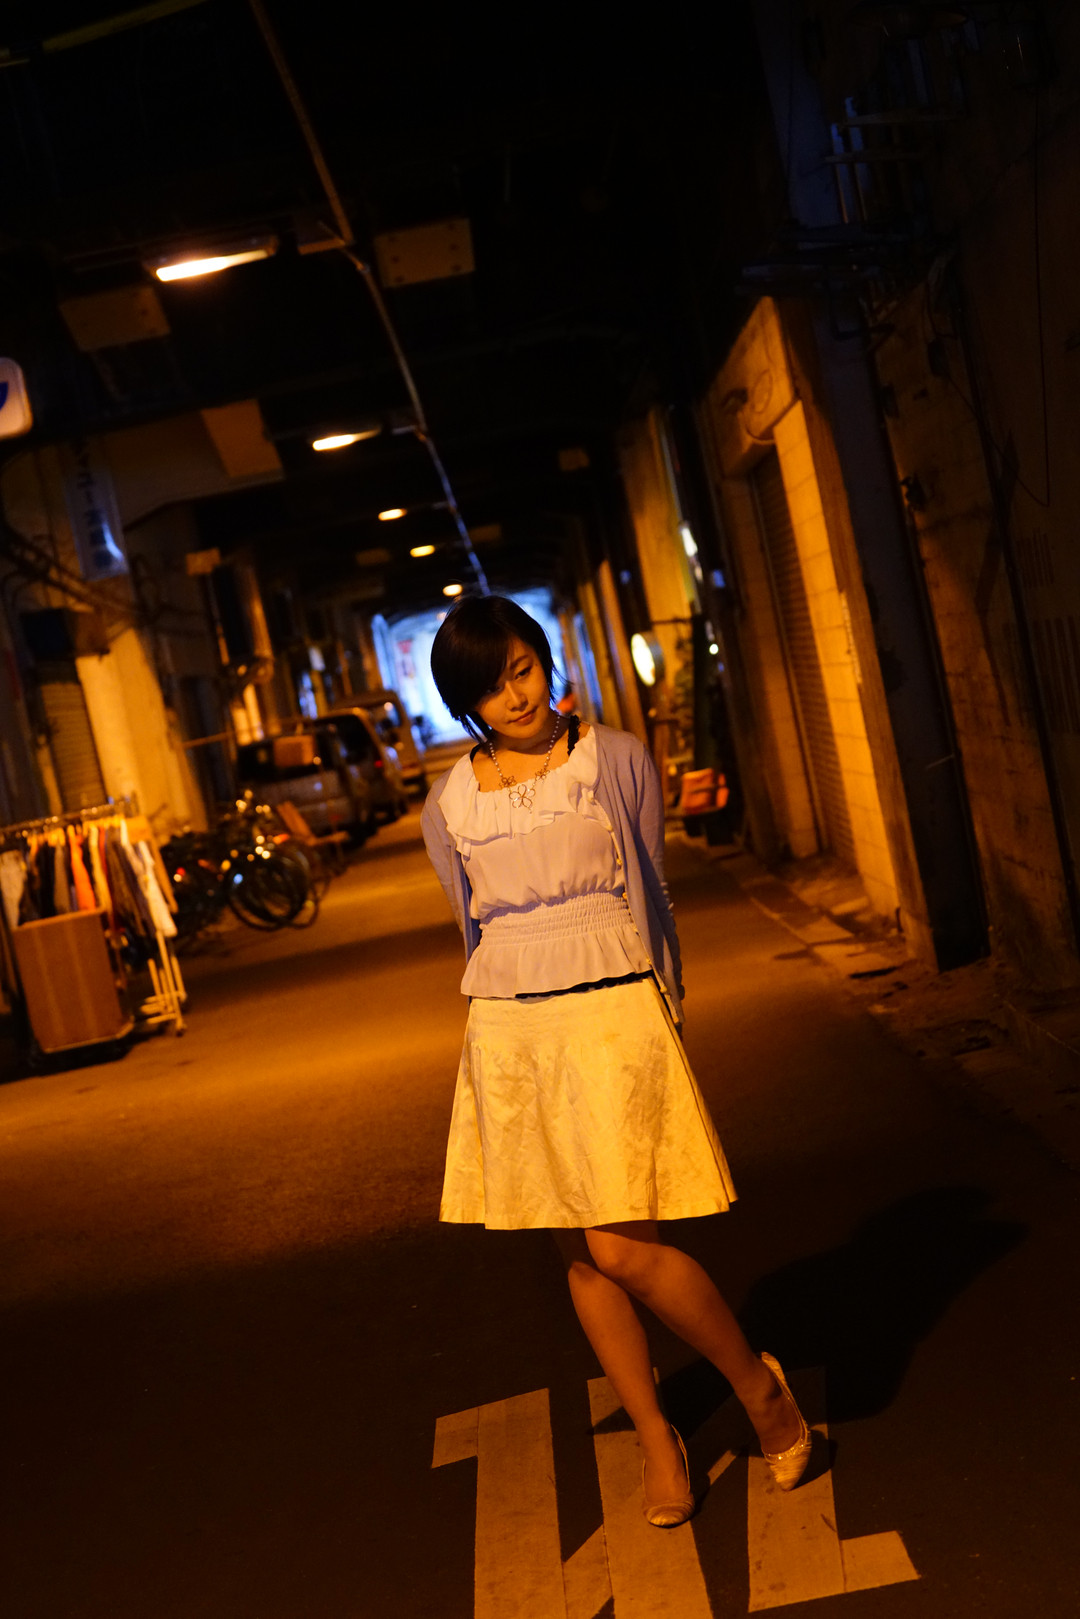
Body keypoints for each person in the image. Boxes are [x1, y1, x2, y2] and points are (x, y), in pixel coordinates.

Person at [421, 595, 811, 1526]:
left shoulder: (617, 756)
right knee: (582, 1255)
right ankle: (655, 1437)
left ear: (544, 658)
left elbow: (652, 886)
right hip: (512, 1028)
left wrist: (667, 1002)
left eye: (523, 669)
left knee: (622, 1245)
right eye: (492, 687)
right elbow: (469, 920)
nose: (517, 696)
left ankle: (760, 1389)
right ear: (467, 703)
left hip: (611, 1005)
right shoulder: (449, 802)